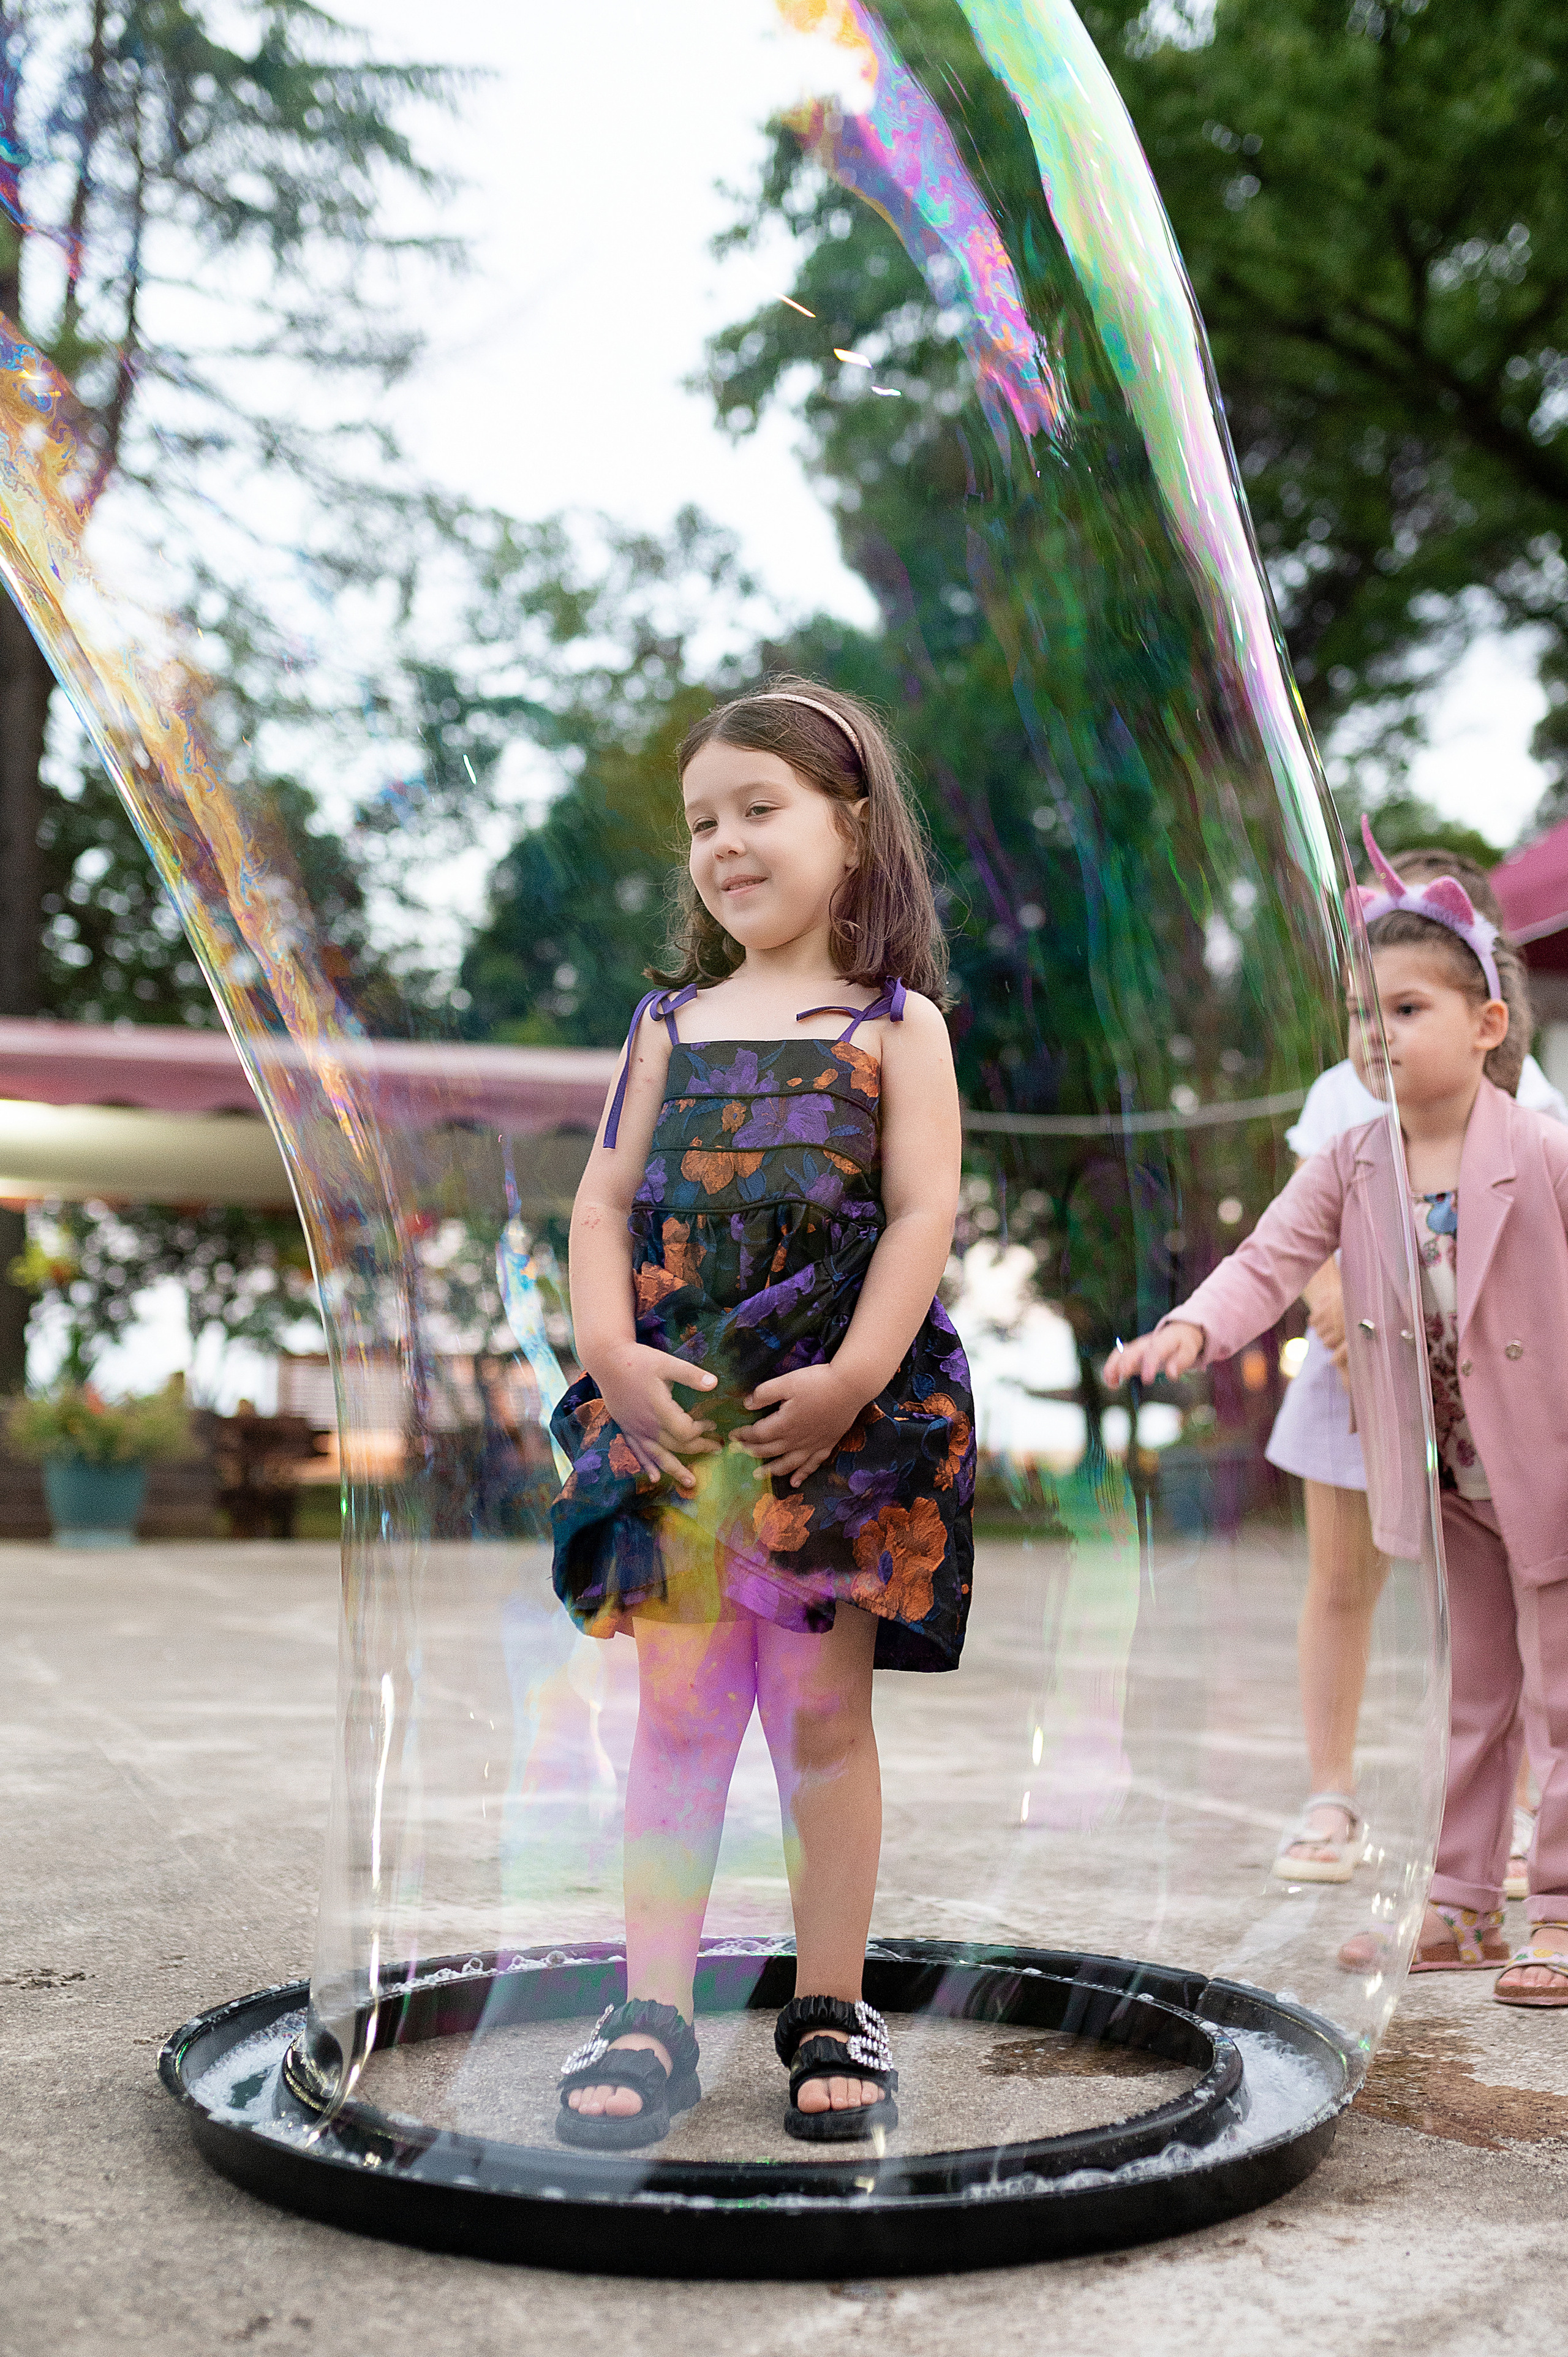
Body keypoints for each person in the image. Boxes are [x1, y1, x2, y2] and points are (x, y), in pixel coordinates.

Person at [548, 677, 974, 2146]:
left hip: (830, 1407)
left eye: (759, 809)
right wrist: (605, 1345)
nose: (723, 843)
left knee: (816, 1713)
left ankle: (829, 2003)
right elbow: (602, 1200)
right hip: (676, 1402)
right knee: (676, 1712)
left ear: (850, 831)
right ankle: (653, 2006)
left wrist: (859, 1374)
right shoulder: (663, 1022)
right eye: (700, 823)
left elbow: (921, 1211)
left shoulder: (892, 1024)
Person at [1107, 818, 1568, 2006]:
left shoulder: (1541, 1149)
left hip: (1549, 1461)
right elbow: (1267, 1259)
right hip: (1447, 1475)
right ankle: (1462, 1905)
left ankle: (1555, 1909)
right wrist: (1190, 1329)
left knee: (1560, 1690)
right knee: (1471, 1691)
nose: (1376, 1036)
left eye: (1405, 1010)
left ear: (1484, 1025)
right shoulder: (1351, 1159)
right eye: (1362, 1017)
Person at [1267, 848, 1567, 1886]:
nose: (1385, 1026)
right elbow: (1298, 1236)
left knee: (1518, 1614)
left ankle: (1524, 1812)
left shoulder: (1532, 1107)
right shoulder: (1346, 1089)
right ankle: (1331, 1796)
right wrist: (1338, 1310)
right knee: (1342, 1582)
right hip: (1355, 1382)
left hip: (1492, 1396)